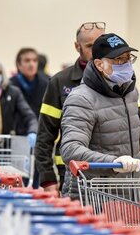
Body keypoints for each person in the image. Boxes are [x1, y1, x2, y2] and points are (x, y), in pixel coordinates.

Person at [60, 33, 140, 199]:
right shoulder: (82, 99)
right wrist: (113, 163)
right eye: (118, 60)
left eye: (128, 58)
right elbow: (70, 149)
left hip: (128, 195)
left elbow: (126, 143)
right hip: (91, 197)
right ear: (99, 64)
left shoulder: (130, 93)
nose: (125, 64)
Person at [35, 21, 106, 193]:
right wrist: (47, 179)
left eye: (100, 45)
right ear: (77, 46)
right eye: (89, 46)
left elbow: (135, 125)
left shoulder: (118, 79)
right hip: (70, 174)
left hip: (112, 174)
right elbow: (45, 135)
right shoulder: (60, 82)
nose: (96, 51)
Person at [9, 48, 49, 120]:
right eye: (27, 60)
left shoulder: (46, 84)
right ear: (18, 64)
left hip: (39, 129)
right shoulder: (9, 86)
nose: (31, 64)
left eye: (35, 60)